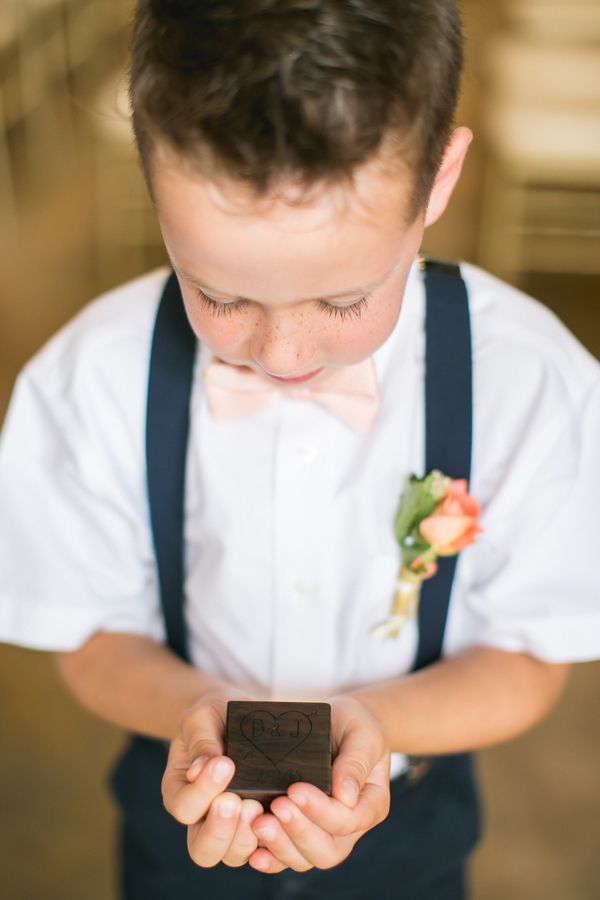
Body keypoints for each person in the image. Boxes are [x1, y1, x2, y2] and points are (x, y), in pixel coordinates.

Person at [1, 1, 599, 898]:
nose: (281, 355)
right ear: (151, 172)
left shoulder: (533, 383)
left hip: (413, 827)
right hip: (179, 826)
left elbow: (528, 659)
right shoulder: (91, 379)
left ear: (438, 181)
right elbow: (90, 637)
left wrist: (375, 723)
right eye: (219, 293)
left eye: (344, 300)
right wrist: (195, 715)